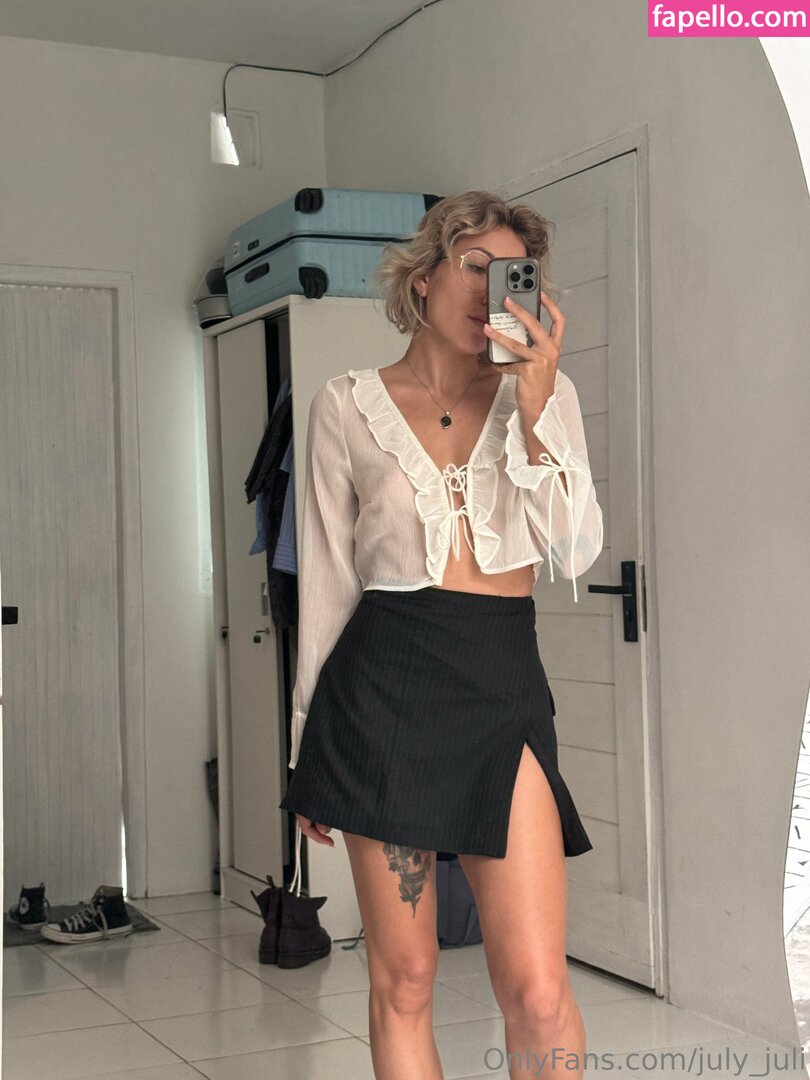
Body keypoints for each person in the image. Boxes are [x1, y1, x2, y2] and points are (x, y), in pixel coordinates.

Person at [278, 190, 603, 1079]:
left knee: (538, 988)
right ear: (423, 278)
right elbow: (328, 587)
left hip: (501, 687)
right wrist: (309, 747)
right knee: (406, 981)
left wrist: (536, 404)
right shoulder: (346, 406)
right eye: (473, 266)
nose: (489, 290)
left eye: (510, 275)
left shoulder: (547, 396)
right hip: (380, 694)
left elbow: (573, 548)